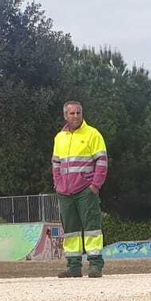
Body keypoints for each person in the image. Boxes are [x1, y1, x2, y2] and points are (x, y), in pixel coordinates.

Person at [51, 101, 109, 278]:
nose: (75, 116)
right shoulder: (59, 137)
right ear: (65, 116)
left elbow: (102, 161)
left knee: (92, 227)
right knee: (70, 230)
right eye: (71, 113)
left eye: (78, 113)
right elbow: (55, 163)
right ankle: (74, 266)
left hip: (85, 190)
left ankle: (95, 265)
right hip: (65, 192)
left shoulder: (93, 134)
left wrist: (95, 185)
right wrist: (58, 184)